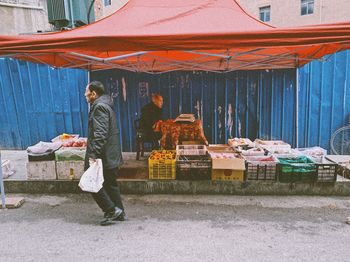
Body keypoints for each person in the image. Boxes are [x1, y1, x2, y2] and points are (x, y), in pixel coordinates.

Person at [84, 81, 126, 226]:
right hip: (110, 153)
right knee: (110, 184)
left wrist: (94, 154)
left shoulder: (99, 107)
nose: (85, 95)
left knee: (90, 181)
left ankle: (111, 209)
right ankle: (119, 212)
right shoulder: (106, 104)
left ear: (93, 94)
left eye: (86, 92)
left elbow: (101, 134)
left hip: (104, 155)